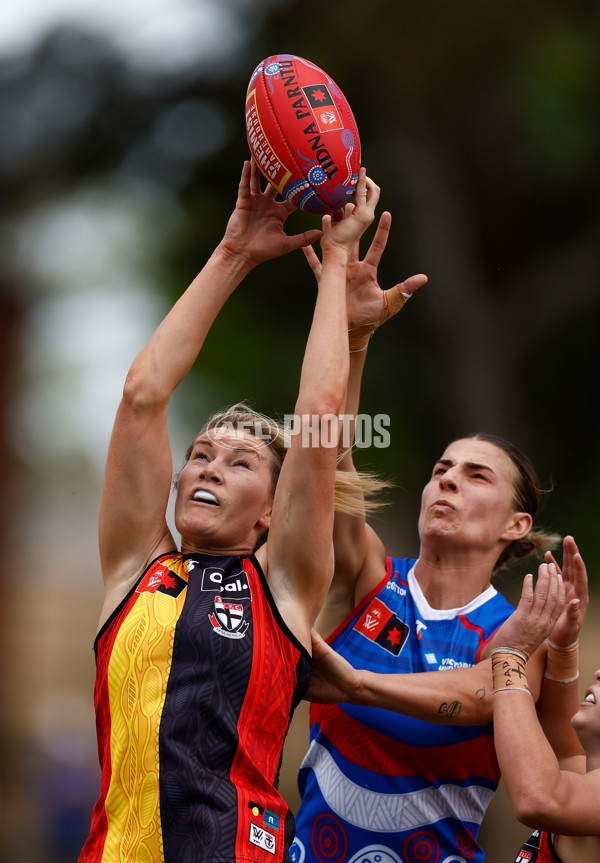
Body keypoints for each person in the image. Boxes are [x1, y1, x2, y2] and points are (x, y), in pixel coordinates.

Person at [78, 160, 381, 863]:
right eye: (203, 453)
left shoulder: (284, 586)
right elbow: (143, 396)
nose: (208, 465)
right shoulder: (135, 568)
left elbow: (318, 418)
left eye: (240, 462)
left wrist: (335, 264)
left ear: (272, 514)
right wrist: (234, 252)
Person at [290, 211, 582, 863]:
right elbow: (324, 458)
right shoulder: (366, 576)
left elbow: (481, 698)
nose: (447, 480)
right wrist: (355, 336)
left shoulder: (514, 630)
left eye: (475, 475)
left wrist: (355, 681)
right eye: (440, 469)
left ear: (517, 525)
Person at [490, 540, 597, 863]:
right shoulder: (585, 781)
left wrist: (509, 655)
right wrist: (563, 645)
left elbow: (538, 799)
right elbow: (564, 751)